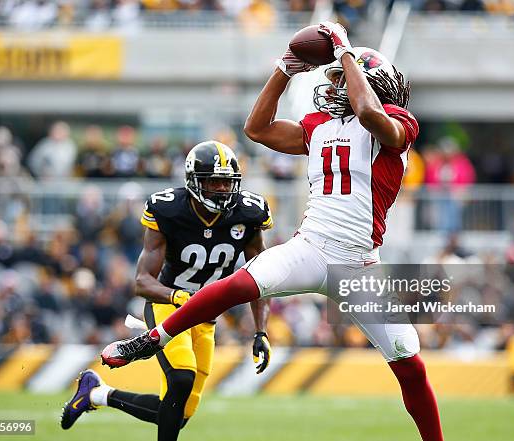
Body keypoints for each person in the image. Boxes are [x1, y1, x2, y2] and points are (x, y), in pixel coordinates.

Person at [101, 23, 444, 441]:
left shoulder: (397, 122)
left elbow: (370, 114)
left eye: (341, 78)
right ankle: (152, 339)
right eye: (332, 77)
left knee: (408, 360)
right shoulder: (319, 125)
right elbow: (257, 128)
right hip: (312, 246)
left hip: (359, 265)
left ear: (368, 80)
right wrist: (284, 69)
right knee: (239, 285)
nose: (333, 85)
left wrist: (345, 51)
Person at [61, 141, 273, 441]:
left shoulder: (248, 214)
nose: (223, 190)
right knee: (182, 378)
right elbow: (142, 281)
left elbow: (261, 277)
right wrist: (179, 297)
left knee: (180, 412)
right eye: (214, 183)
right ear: (194, 182)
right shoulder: (170, 209)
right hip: (169, 305)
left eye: (228, 182)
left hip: (206, 318)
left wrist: (261, 331)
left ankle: (95, 394)